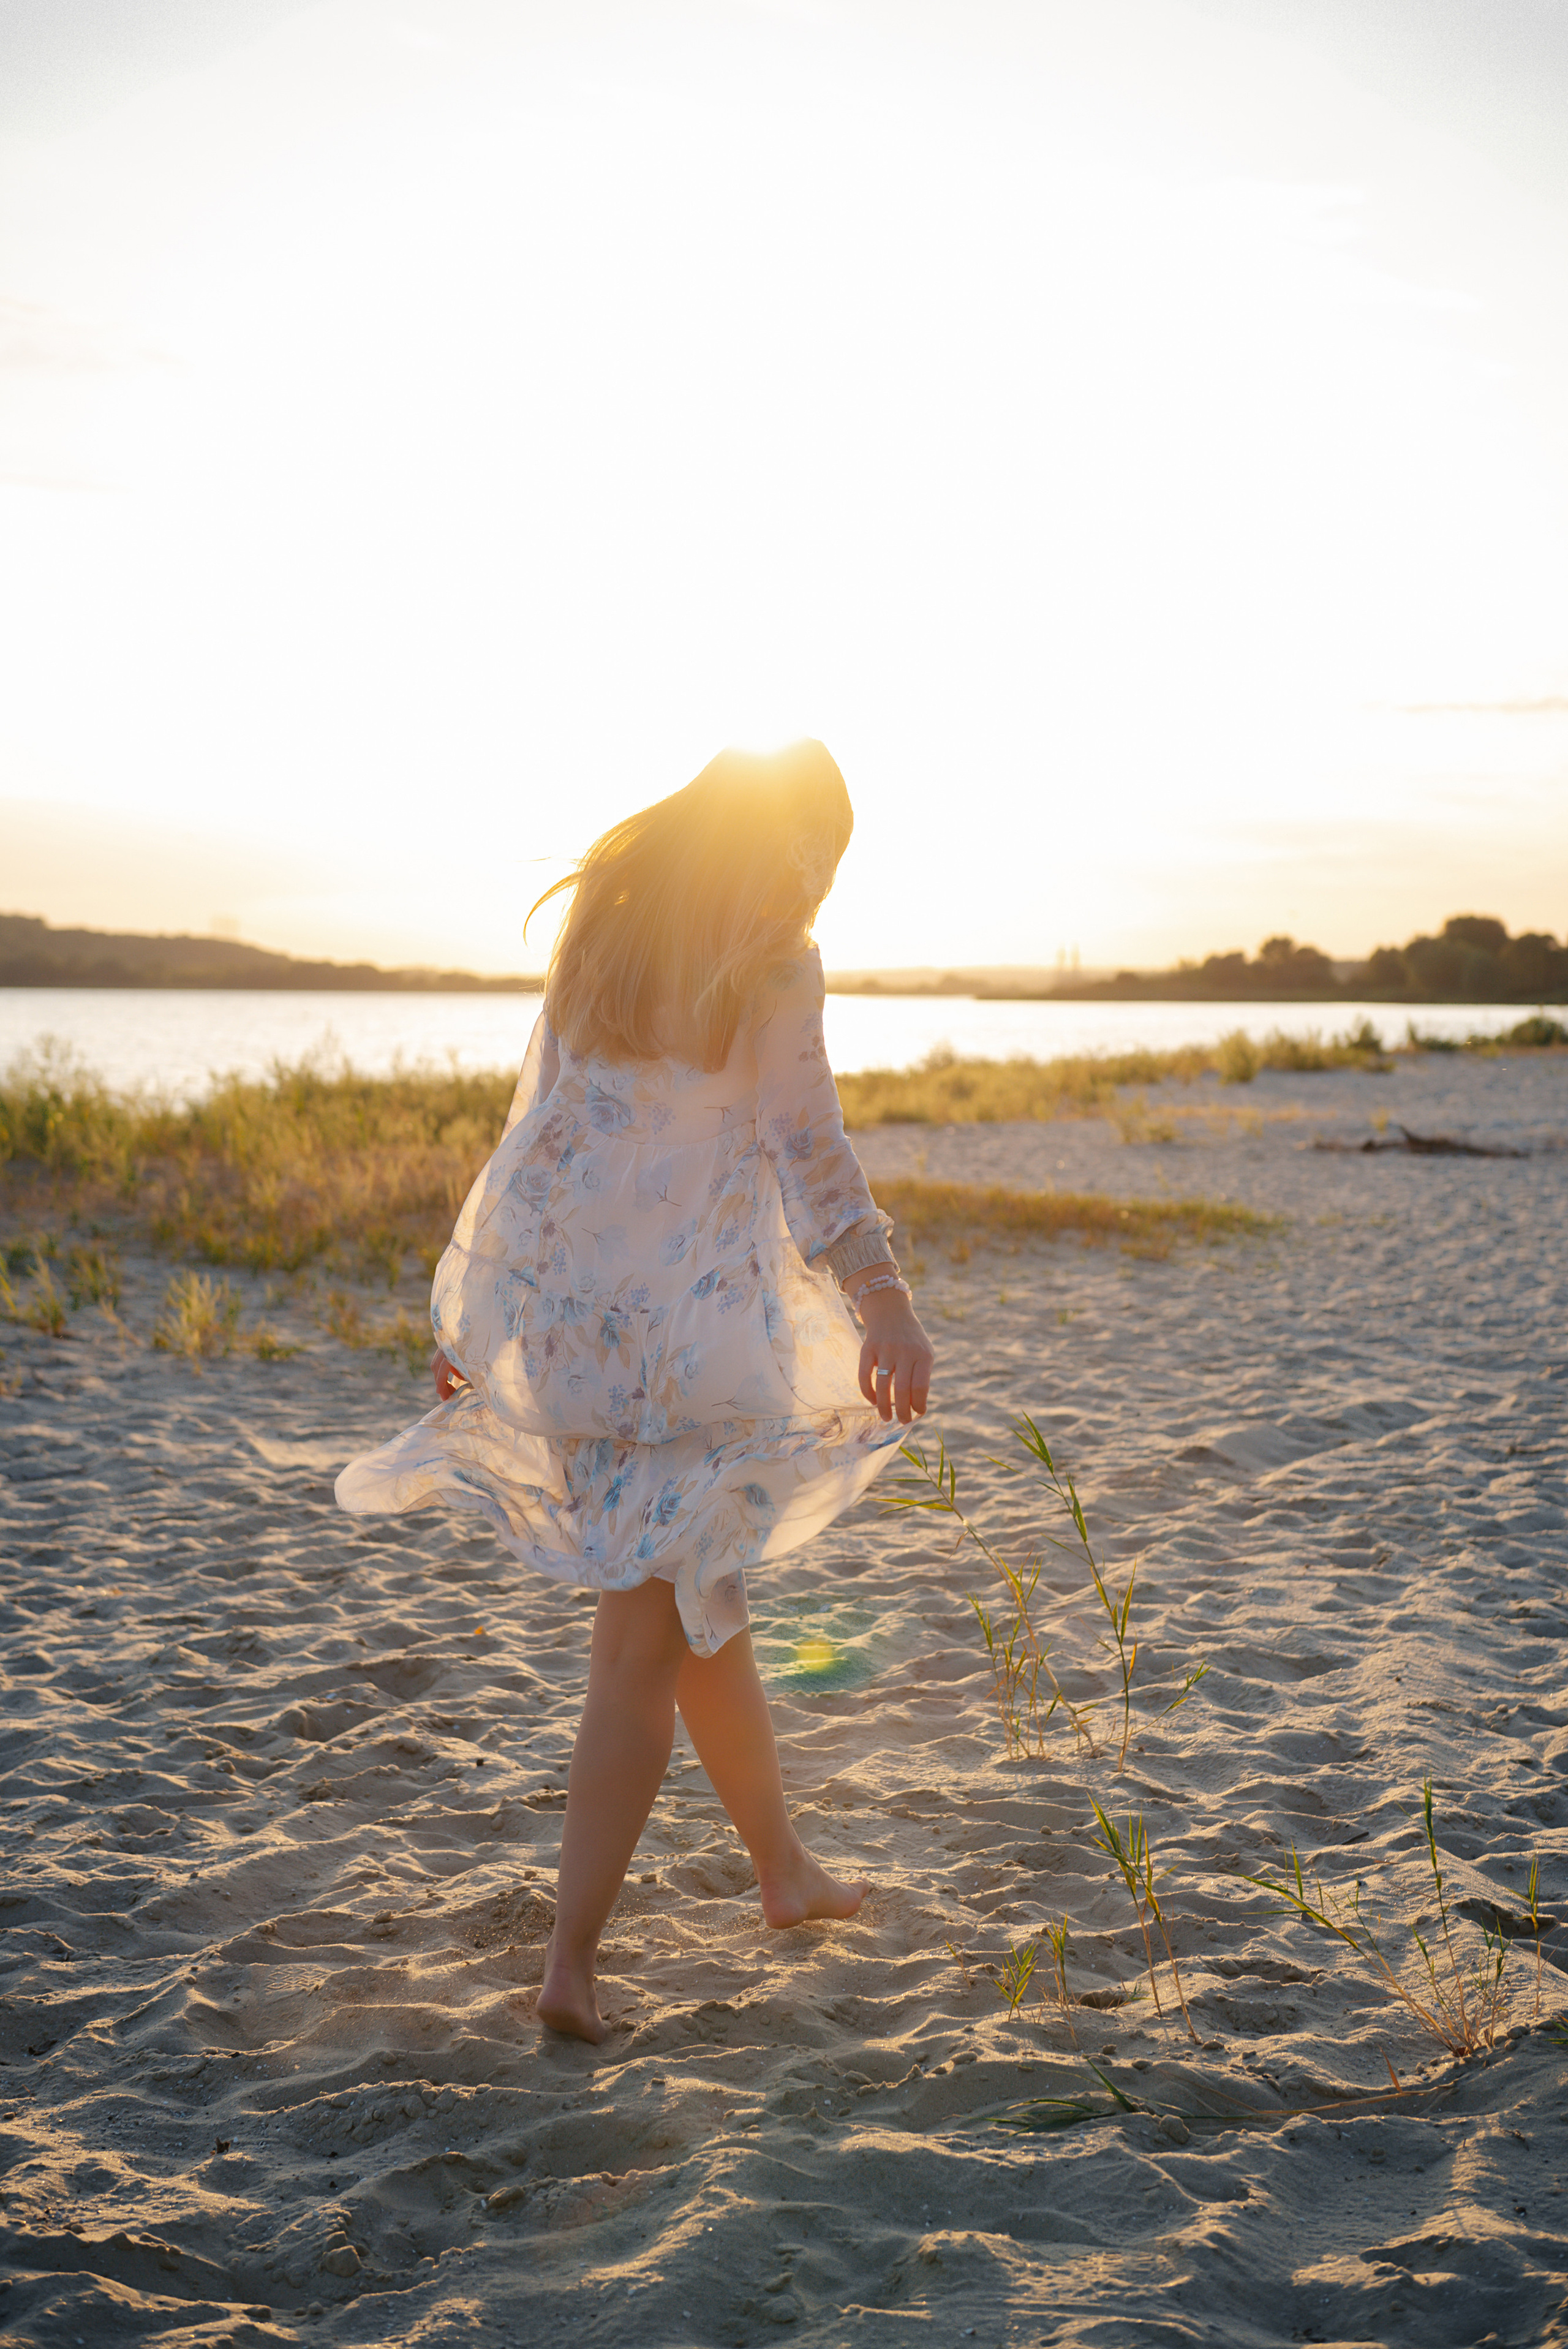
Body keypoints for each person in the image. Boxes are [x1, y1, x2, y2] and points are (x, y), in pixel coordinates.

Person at [336, 741, 934, 2042]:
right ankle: (570, 1961)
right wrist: (882, 1298)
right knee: (638, 1648)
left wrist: (491, 1309)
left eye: (826, 867)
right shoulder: (768, 965)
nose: (811, 885)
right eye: (807, 856)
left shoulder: (610, 934)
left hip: (587, 1344)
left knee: (696, 1599)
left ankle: (782, 1869)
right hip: (693, 1361)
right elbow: (806, 1150)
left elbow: (536, 1139)